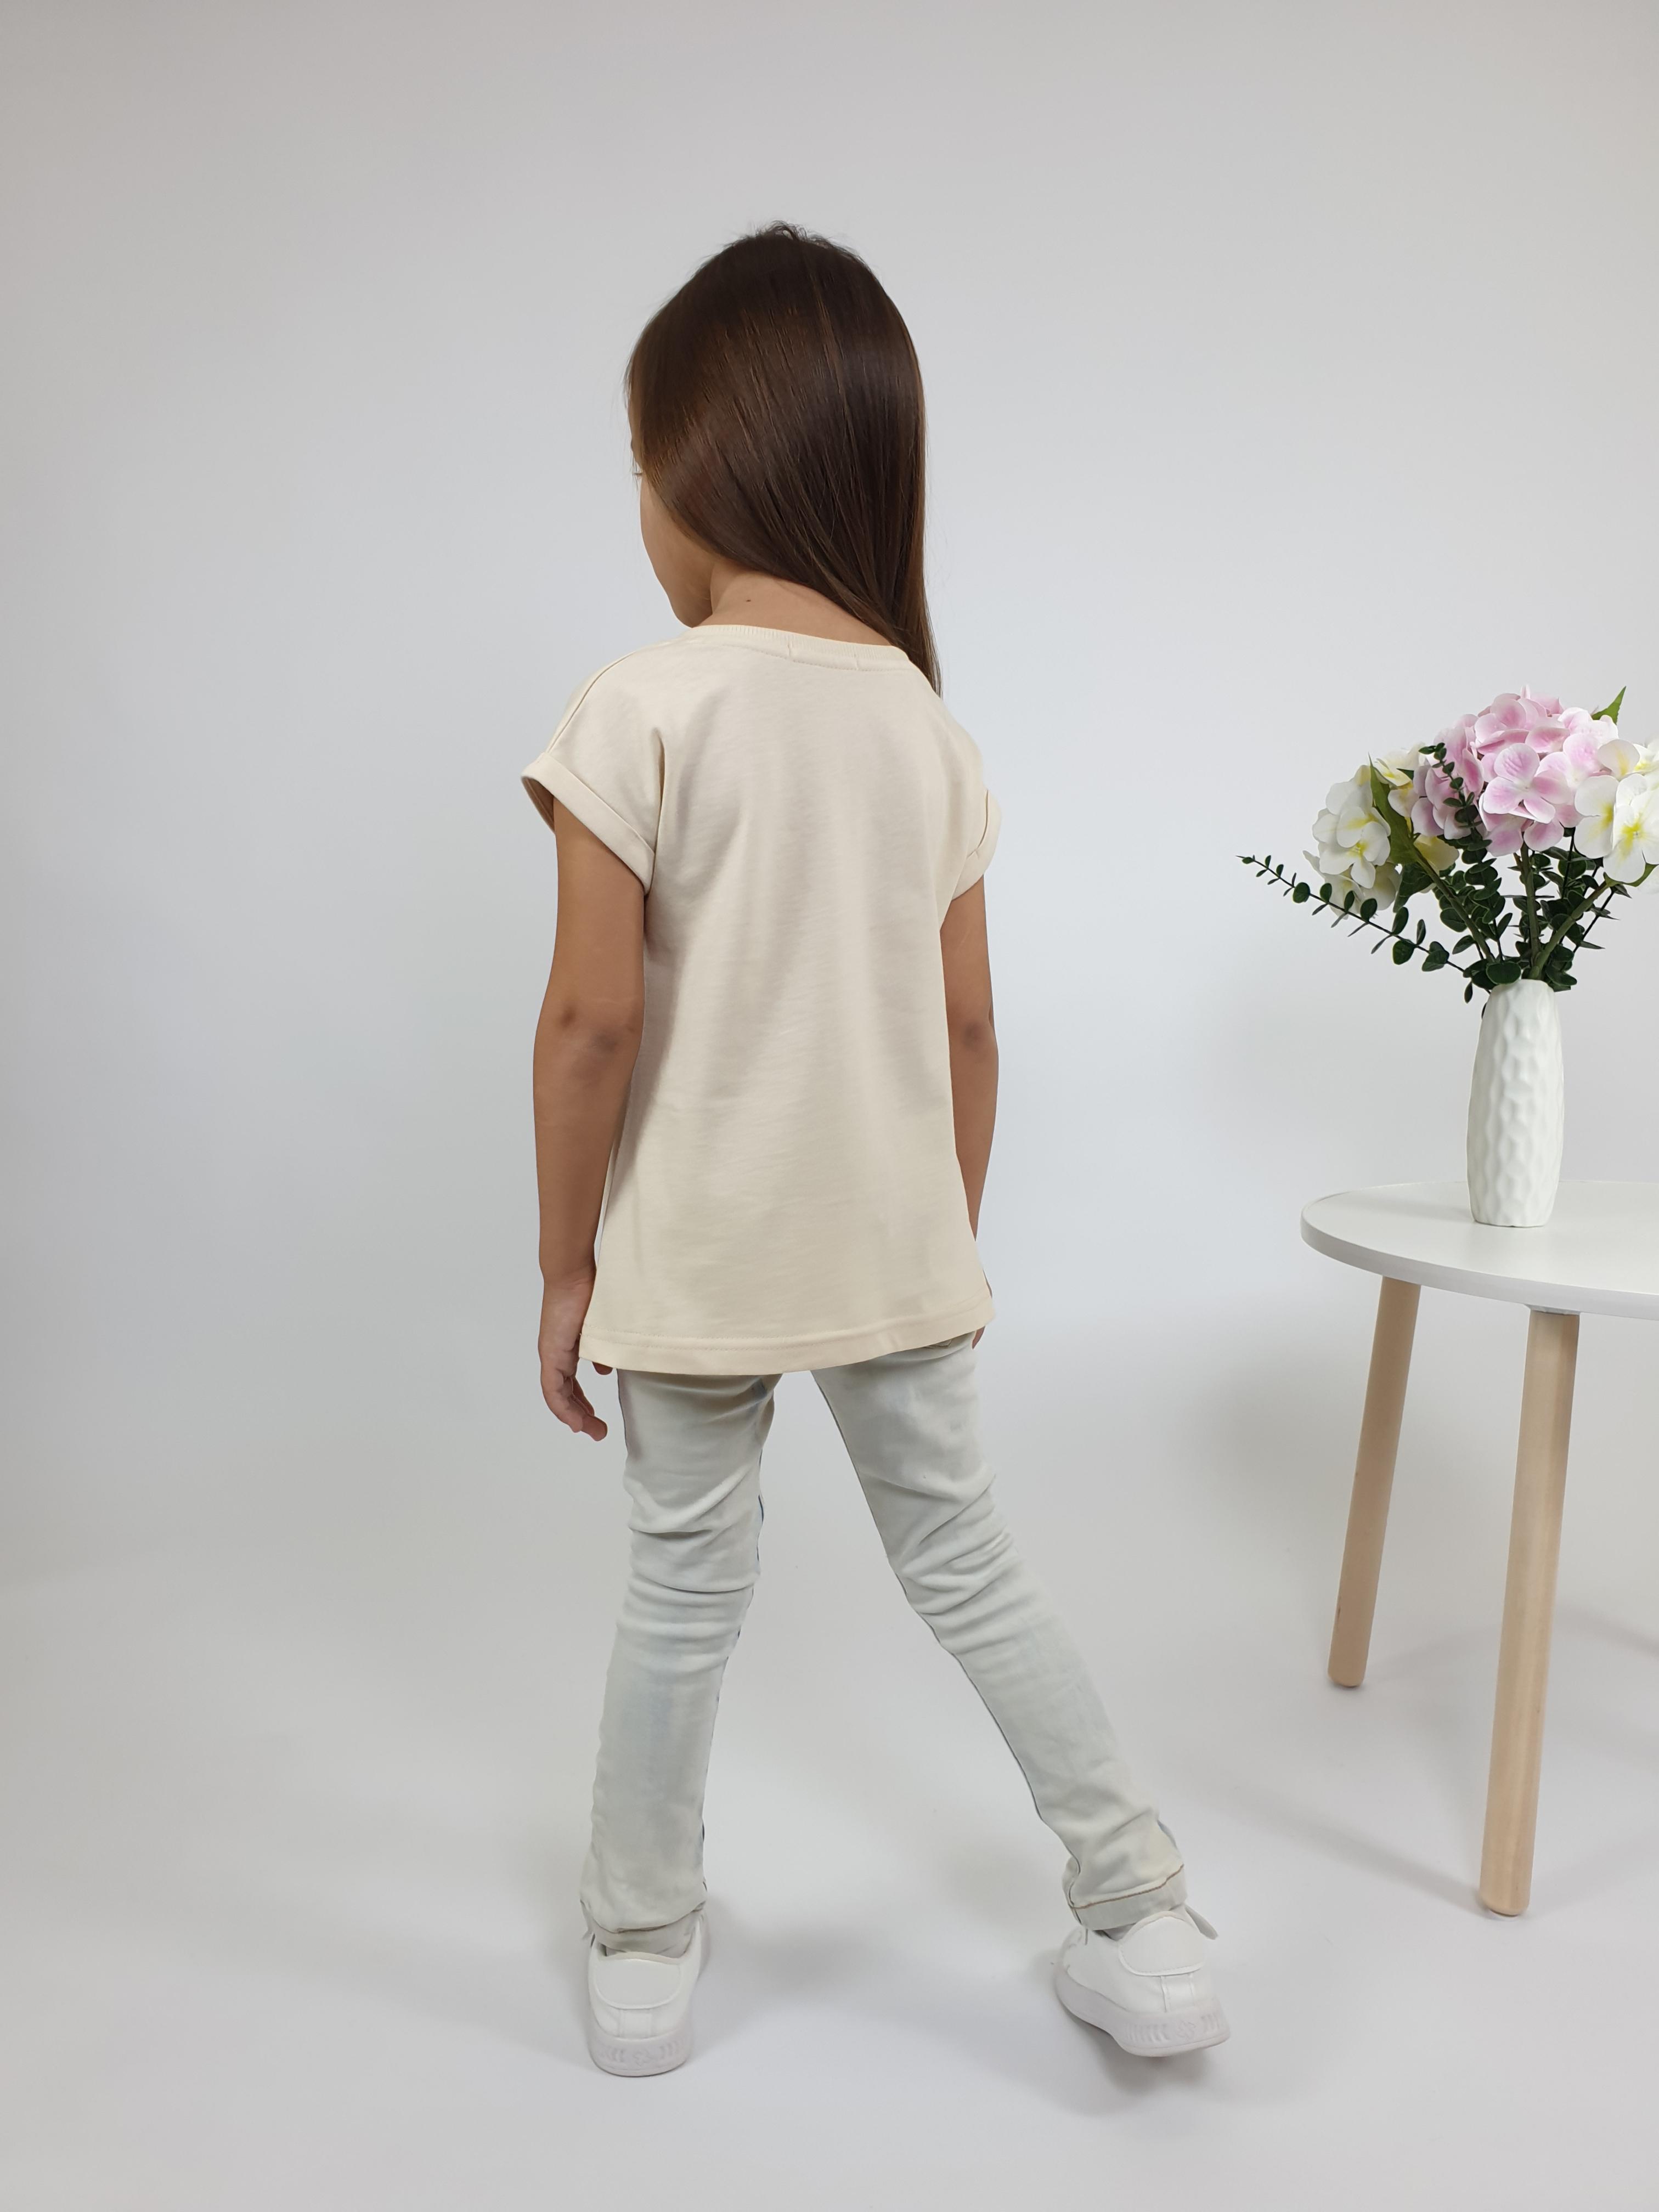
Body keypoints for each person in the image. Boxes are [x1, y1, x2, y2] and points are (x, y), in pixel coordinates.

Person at [522, 224, 1226, 2076]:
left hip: (695, 1255)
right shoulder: (928, 728)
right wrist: (938, 1241)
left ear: (704, 464)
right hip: (897, 1253)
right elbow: (970, 1032)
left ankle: (642, 1947)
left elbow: (591, 1023)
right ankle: (1144, 1913)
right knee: (971, 1564)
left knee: (684, 1591)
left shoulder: (638, 706)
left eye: (640, 466)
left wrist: (566, 1263)